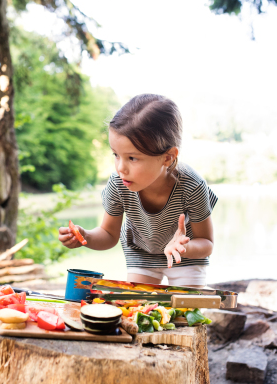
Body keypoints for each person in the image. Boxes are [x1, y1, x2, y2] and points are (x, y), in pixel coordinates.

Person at [58, 94, 217, 288]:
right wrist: (86, 237)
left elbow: (206, 243)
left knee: (187, 312)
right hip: (142, 253)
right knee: (139, 309)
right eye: (116, 155)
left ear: (168, 157)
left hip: (185, 255)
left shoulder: (192, 186)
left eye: (132, 158)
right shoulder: (119, 184)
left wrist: (185, 247)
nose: (120, 168)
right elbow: (108, 234)